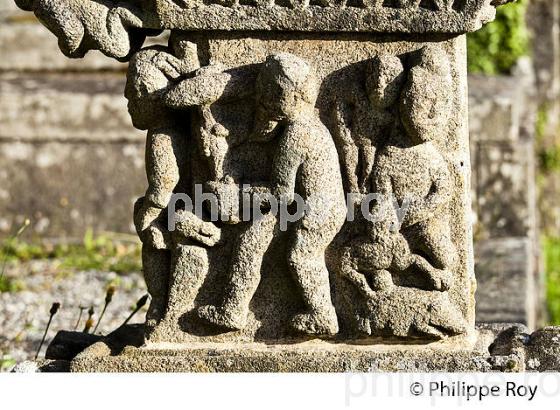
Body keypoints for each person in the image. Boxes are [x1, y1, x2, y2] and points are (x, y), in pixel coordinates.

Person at [198, 53, 347, 336]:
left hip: (317, 213)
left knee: (301, 256)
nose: (259, 99)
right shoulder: (305, 125)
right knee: (251, 240)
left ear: (287, 98)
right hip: (300, 206)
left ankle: (323, 316)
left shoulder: (297, 137)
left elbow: (281, 195)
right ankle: (232, 309)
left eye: (266, 93)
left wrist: (238, 195)